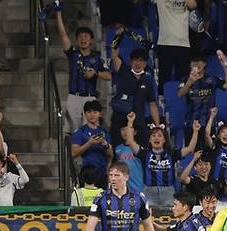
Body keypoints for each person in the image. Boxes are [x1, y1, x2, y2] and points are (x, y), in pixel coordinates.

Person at [55, 6, 111, 135]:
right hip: (73, 97)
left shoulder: (97, 58)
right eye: (80, 36)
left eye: (86, 36)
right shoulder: (72, 54)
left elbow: (109, 76)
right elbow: (63, 34)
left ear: (91, 40)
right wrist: (58, 14)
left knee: (91, 132)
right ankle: (72, 154)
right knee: (72, 131)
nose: (83, 39)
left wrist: (95, 73)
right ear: (76, 40)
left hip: (90, 99)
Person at [123, 112, 196, 207]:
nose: (156, 138)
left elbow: (190, 148)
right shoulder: (144, 153)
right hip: (149, 191)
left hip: (168, 192)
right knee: (148, 218)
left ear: (164, 139)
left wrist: (196, 131)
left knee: (170, 219)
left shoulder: (172, 154)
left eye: (159, 136)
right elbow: (131, 142)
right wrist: (130, 122)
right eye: (153, 135)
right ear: (149, 139)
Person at [110, 37, 160, 145]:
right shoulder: (123, 70)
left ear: (146, 63)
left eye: (141, 61)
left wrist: (157, 126)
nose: (138, 63)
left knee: (141, 149)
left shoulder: (148, 79)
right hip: (120, 119)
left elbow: (152, 104)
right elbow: (114, 55)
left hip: (139, 121)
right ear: (131, 61)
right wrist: (118, 37)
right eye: (136, 60)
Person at [177, 52, 227, 149]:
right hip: (191, 124)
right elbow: (180, 93)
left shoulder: (212, 79)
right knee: (192, 155)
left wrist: (226, 67)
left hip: (208, 125)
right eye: (193, 61)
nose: (196, 64)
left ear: (204, 64)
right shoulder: (185, 80)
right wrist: (190, 81)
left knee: (210, 155)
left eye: (199, 61)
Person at [155, 0, 197, 93]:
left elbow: (193, 5)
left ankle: (184, 102)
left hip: (183, 44)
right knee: (164, 78)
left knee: (183, 78)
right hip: (165, 43)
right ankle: (162, 102)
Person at [70, 100, 113, 188]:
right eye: (89, 112)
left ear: (100, 114)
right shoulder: (80, 132)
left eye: (95, 112)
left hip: (102, 171)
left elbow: (110, 154)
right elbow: (73, 153)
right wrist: (89, 143)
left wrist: (105, 144)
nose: (92, 115)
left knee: (101, 200)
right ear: (85, 114)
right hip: (87, 171)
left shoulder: (104, 132)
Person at [113, 125, 144, 193]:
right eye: (123, 129)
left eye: (128, 129)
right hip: (122, 186)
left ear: (135, 132)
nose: (125, 132)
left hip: (138, 185)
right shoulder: (117, 148)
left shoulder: (139, 148)